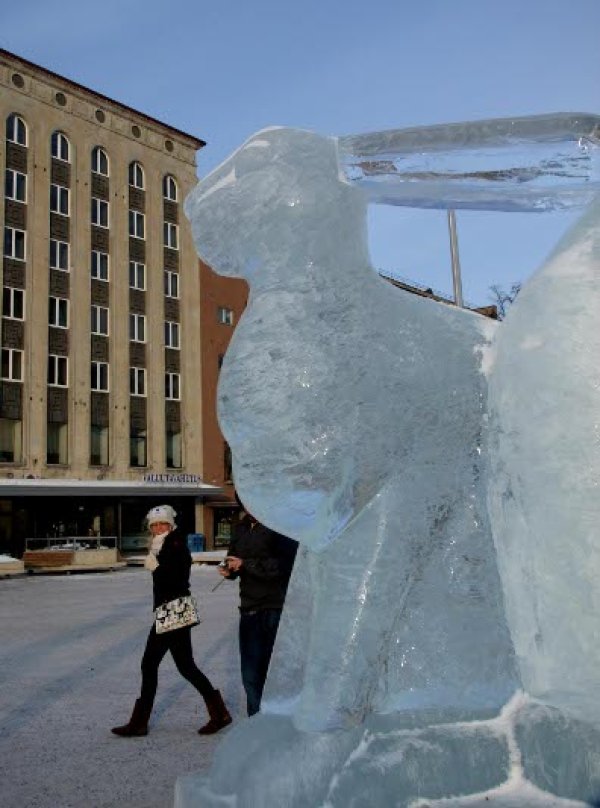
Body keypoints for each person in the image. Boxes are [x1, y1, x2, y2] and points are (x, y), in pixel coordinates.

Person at [112, 504, 231, 737]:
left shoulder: (175, 544)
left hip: (174, 609)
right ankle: (220, 713)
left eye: (162, 524)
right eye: (154, 525)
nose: (158, 528)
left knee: (150, 664)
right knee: (186, 666)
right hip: (172, 609)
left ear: (170, 524)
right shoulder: (162, 544)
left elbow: (177, 578)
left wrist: (156, 567)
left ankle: (139, 722)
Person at [219, 500, 297, 716]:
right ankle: (256, 722)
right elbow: (234, 557)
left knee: (275, 673)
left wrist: (245, 565)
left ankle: (278, 722)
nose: (250, 508)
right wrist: (230, 570)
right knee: (251, 674)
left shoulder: (279, 528)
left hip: (275, 607)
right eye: (245, 503)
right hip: (249, 608)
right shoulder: (241, 528)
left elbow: (283, 567)